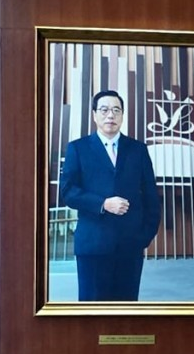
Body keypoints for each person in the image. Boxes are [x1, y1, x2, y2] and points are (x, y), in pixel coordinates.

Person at [59, 90, 162, 301]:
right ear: (94, 115)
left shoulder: (138, 150)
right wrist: (103, 204)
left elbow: (151, 197)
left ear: (122, 115)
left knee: (126, 310)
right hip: (92, 246)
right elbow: (68, 192)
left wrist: (143, 238)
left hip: (130, 247)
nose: (110, 115)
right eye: (104, 110)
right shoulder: (78, 148)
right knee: (92, 311)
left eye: (116, 110)